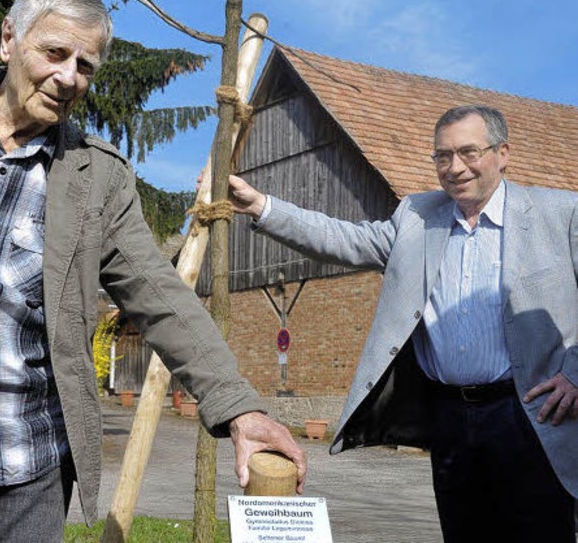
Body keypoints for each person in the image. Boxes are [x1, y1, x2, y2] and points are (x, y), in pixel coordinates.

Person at [0, 0, 305, 543]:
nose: (68, 78)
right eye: (55, 53)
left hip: (26, 444)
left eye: (85, 66)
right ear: (9, 39)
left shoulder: (99, 177)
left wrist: (239, 408)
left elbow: (160, 297)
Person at [228, 105, 578, 543]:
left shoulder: (561, 214)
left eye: (468, 152)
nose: (455, 168)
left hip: (528, 413)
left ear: (502, 153)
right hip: (450, 416)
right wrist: (261, 206)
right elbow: (346, 240)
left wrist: (575, 373)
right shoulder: (416, 215)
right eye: (442, 156)